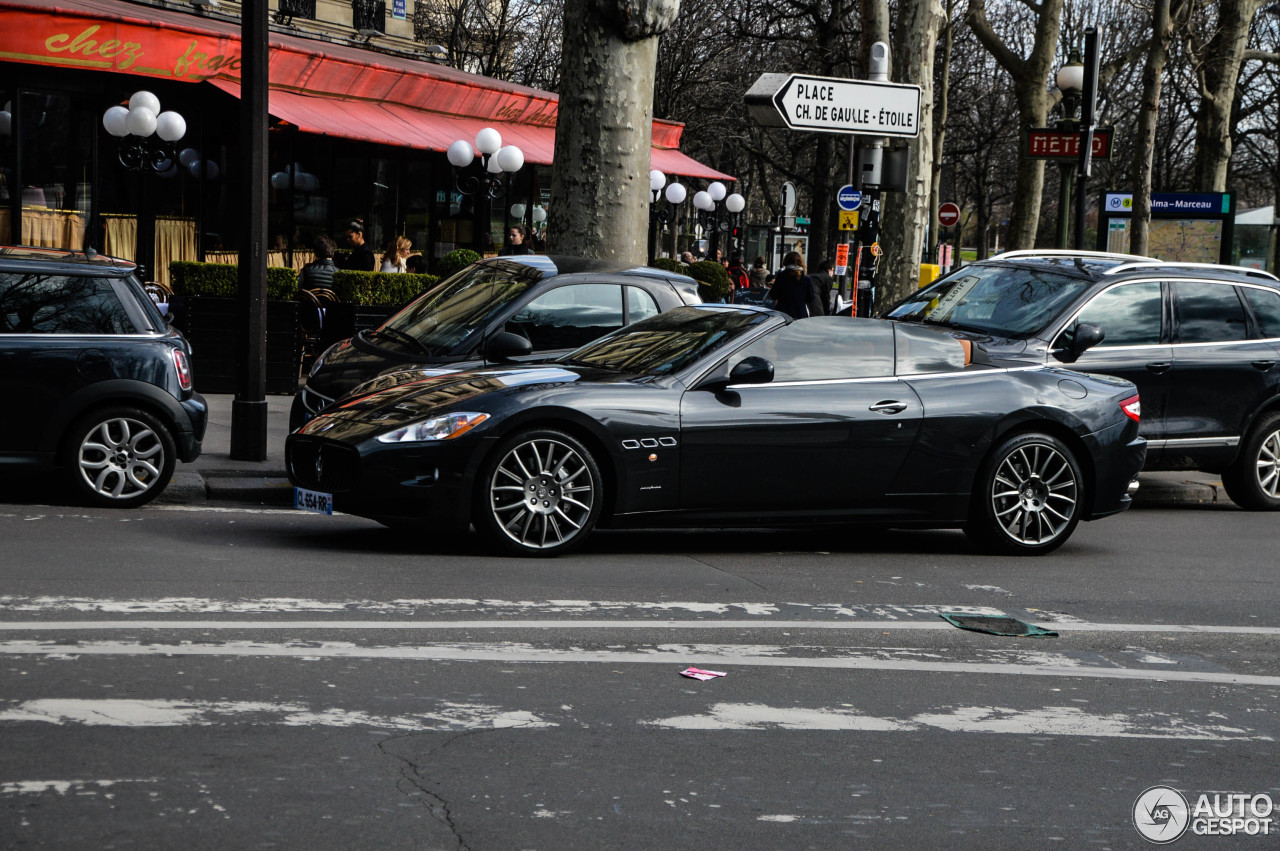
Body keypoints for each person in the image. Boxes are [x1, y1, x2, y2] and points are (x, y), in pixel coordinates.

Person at [769, 251, 813, 320]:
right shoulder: (806, 278)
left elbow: (773, 295)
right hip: (800, 314)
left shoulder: (781, 276)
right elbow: (810, 298)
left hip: (783, 315)